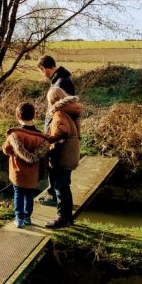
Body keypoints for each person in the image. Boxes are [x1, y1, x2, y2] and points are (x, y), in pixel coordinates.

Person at [1, 102, 49, 228]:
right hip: (33, 174)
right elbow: (43, 155)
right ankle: (27, 217)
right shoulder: (41, 138)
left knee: (18, 194)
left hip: (18, 172)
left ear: (18, 116)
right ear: (34, 115)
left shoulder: (15, 135)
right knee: (29, 195)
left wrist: (16, 154)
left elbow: (6, 149)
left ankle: (19, 218)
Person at [36, 55, 75, 206]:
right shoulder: (59, 80)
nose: (42, 74)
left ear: (44, 68)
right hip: (56, 131)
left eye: (41, 71)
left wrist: (53, 134)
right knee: (54, 165)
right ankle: (54, 195)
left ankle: (57, 200)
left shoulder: (62, 82)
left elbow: (63, 110)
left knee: (58, 166)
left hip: (58, 133)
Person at [44, 86, 82, 229]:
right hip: (71, 154)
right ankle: (68, 217)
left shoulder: (59, 114)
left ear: (52, 100)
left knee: (60, 187)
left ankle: (62, 218)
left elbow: (62, 132)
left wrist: (49, 140)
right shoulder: (69, 113)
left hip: (63, 156)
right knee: (64, 186)